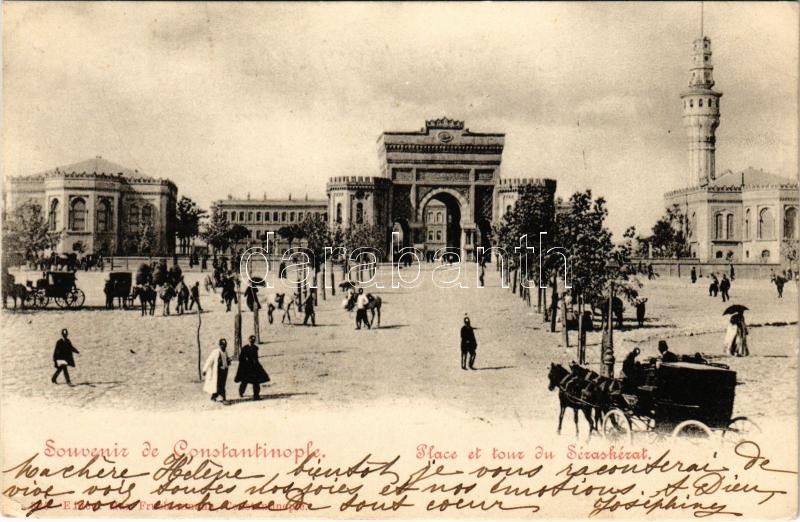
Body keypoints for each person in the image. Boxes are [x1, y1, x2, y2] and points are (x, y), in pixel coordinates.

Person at [235, 335, 270, 400]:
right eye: (251, 340)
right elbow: (241, 358)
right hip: (246, 368)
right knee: (244, 381)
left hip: (254, 367)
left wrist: (258, 365)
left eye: (253, 341)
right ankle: (241, 392)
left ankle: (256, 395)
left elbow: (256, 358)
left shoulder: (255, 348)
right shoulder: (245, 348)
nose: (252, 342)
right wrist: (245, 361)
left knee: (256, 382)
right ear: (249, 340)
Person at [203, 338, 231, 403]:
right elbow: (209, 360)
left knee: (222, 385)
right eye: (223, 345)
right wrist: (205, 370)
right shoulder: (216, 352)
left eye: (225, 344)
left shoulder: (225, 352)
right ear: (220, 345)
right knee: (219, 385)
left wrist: (228, 361)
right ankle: (224, 399)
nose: (224, 346)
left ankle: (214, 397)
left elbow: (226, 360)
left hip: (224, 371)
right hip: (218, 372)